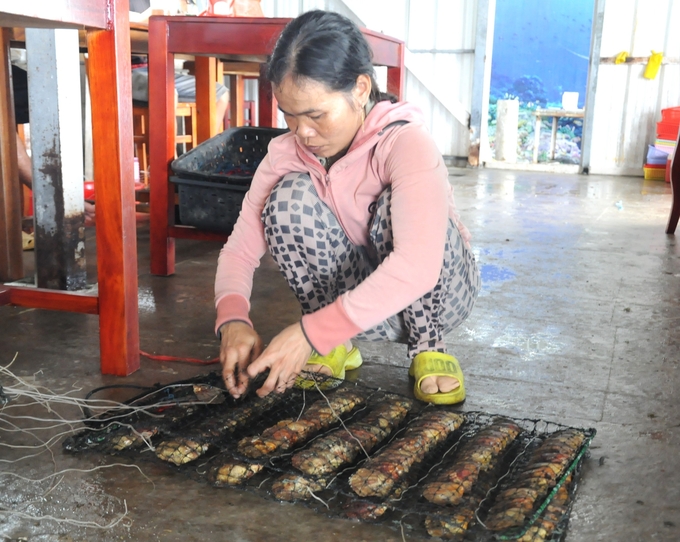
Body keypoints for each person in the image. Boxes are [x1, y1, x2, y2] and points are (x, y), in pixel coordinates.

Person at [215, 10, 480, 405]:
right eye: (289, 115)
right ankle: (335, 342)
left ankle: (429, 347)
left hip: (439, 296)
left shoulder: (405, 142)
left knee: (396, 208)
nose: (302, 131)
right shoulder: (286, 154)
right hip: (354, 305)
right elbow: (240, 248)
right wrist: (233, 318)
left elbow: (418, 267)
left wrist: (308, 334)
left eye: (316, 115)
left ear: (359, 89)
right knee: (286, 200)